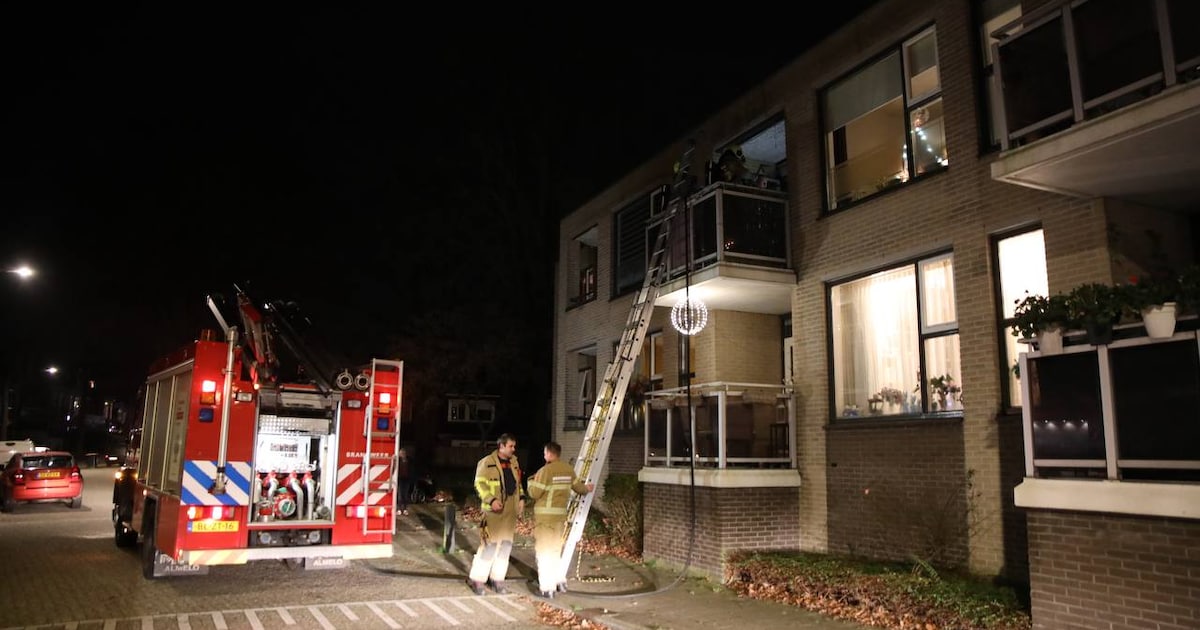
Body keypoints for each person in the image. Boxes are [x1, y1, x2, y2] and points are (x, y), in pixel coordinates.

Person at [527, 441, 593, 599]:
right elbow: (580, 489)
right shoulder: (568, 470)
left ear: (549, 454)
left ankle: (546, 588)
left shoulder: (545, 471)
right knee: (556, 551)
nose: (544, 455)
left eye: (545, 453)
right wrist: (587, 488)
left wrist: (531, 481)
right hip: (560, 518)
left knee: (543, 552)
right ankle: (559, 581)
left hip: (545, 518)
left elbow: (534, 493)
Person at [466, 433, 525, 596]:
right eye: (511, 446)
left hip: (510, 511)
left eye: (514, 446)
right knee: (489, 546)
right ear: (501, 446)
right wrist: (491, 500)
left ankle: (497, 579)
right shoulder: (486, 463)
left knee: (505, 546)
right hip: (493, 512)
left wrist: (521, 498)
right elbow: (479, 484)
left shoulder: (514, 461)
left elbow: (518, 483)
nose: (513, 449)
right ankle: (477, 580)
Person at [396, 448, 412, 516]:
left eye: (403, 453)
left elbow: (411, 469)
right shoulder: (398, 461)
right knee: (400, 495)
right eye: (400, 453)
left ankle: (405, 509)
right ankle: (399, 509)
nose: (402, 455)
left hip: (406, 479)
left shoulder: (409, 461)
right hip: (400, 479)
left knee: (405, 495)